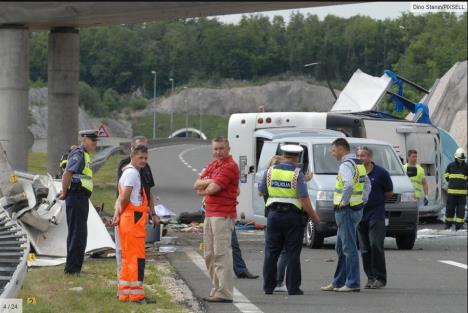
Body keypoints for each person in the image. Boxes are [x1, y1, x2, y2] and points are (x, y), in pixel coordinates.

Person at [259, 145, 320, 296]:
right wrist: (314, 216)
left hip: (273, 216)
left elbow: (261, 190)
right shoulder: (297, 174)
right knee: (292, 253)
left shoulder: (270, 171)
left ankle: (268, 287)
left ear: (284, 155)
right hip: (293, 217)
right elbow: (303, 198)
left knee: (271, 253)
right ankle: (293, 288)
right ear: (297, 158)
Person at [193, 137, 240, 303]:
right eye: (215, 148)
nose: (218, 151)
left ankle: (225, 292)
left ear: (228, 149)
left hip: (223, 215)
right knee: (209, 254)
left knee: (221, 254)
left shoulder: (230, 166)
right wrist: (210, 181)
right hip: (210, 213)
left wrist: (206, 186)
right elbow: (196, 184)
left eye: (221, 148)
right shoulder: (213, 165)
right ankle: (216, 288)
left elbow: (211, 189)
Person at [321, 138, 371, 292]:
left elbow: (348, 184)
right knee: (340, 248)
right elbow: (367, 184)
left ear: (342, 149)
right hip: (355, 209)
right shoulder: (358, 164)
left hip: (346, 210)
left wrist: (344, 201)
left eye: (333, 150)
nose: (332, 153)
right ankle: (338, 281)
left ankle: (352, 282)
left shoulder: (345, 165)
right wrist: (363, 199)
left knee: (348, 248)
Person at [112, 144, 157, 303]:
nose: (143, 161)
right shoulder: (132, 174)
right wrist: (120, 212)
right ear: (132, 156)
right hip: (133, 220)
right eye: (140, 158)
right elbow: (124, 197)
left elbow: (121, 199)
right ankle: (137, 296)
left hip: (128, 219)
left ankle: (125, 294)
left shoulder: (128, 172)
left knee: (127, 259)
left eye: (145, 158)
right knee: (137, 259)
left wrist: (118, 213)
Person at [59, 130, 98, 276]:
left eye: (96, 140)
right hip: (76, 197)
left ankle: (73, 268)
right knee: (78, 234)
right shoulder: (79, 153)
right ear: (84, 139)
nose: (95, 143)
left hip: (80, 198)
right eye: (92, 140)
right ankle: (72, 270)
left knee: (79, 234)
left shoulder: (85, 155)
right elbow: (67, 173)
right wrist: (64, 192)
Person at [356, 146, 393, 289]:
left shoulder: (381, 173)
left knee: (375, 245)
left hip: (376, 214)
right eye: (358, 155)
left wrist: (376, 201)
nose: (360, 158)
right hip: (360, 214)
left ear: (370, 157)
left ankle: (380, 278)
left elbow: (389, 193)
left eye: (363, 156)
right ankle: (370, 278)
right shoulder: (355, 172)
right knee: (364, 248)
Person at [199, 203, 259, 279]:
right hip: (213, 213)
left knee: (233, 244)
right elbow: (201, 191)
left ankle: (241, 270)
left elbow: (236, 192)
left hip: (225, 213)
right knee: (216, 246)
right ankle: (216, 272)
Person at [444, 147, 467, 231]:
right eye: (459, 159)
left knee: (461, 210)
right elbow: (446, 175)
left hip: (462, 193)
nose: (461, 160)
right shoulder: (450, 165)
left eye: (462, 159)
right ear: (456, 158)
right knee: (450, 209)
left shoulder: (466, 167)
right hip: (452, 193)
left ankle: (459, 225)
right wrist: (451, 180)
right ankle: (448, 224)